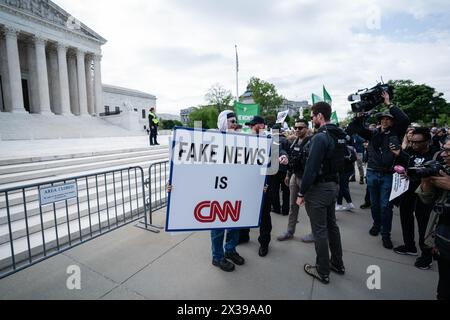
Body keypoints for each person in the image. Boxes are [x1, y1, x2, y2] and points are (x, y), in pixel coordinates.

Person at [348, 92, 410, 249]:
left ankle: (386, 234)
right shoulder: (373, 134)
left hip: (388, 175)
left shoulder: (396, 133)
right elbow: (354, 127)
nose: (385, 120)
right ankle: (376, 224)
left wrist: (388, 103)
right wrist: (360, 114)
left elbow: (405, 119)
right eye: (383, 118)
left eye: (388, 119)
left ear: (392, 122)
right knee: (375, 205)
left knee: (385, 206)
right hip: (372, 173)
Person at [296, 102, 345, 284]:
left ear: (319, 116)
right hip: (333, 186)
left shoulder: (320, 137)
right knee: (332, 226)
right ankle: (338, 263)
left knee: (320, 231)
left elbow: (311, 168)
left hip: (319, 189)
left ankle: (323, 270)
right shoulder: (338, 134)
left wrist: (301, 193)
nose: (312, 120)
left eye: (312, 116)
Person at [238, 116, 289, 258]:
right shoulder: (246, 140)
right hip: (248, 183)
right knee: (246, 210)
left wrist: (283, 157)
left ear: (261, 125)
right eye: (250, 126)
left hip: (265, 183)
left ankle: (264, 242)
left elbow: (280, 151)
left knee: (264, 213)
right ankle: (244, 235)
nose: (251, 128)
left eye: (253, 126)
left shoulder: (269, 139)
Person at [394, 127, 438, 269]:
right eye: (412, 142)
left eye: (418, 142)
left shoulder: (436, 154)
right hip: (408, 189)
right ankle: (409, 246)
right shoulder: (410, 151)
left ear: (428, 141)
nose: (414, 145)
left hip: (425, 193)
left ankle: (426, 255)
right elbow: (401, 164)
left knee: (424, 222)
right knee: (405, 215)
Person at [209, 110, 245, 272]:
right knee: (218, 226)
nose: (234, 124)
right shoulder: (212, 141)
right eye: (231, 121)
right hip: (217, 191)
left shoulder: (240, 141)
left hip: (234, 190)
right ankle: (217, 256)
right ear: (223, 122)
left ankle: (230, 250)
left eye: (235, 121)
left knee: (234, 223)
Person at [417, 136, 450, 300]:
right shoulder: (444, 171)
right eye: (444, 149)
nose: (444, 154)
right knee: (444, 284)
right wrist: (426, 181)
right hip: (443, 237)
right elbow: (426, 199)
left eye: (449, 151)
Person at [277, 119, 315, 243]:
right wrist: (288, 174)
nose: (297, 130)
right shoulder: (294, 142)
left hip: (306, 179)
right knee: (293, 206)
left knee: (310, 208)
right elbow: (293, 159)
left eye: (301, 128)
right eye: (296, 127)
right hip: (295, 176)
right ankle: (290, 231)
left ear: (307, 128)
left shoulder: (312, 141)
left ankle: (315, 232)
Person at [270, 124, 290, 216]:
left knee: (275, 189)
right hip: (285, 169)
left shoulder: (273, 141)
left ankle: (277, 208)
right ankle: (285, 210)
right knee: (286, 190)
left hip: (275, 169)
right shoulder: (286, 140)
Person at [336, 143, 357, 211]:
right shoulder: (349, 147)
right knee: (344, 187)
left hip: (343, 170)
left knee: (342, 187)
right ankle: (349, 203)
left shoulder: (339, 147)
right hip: (349, 170)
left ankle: (340, 204)